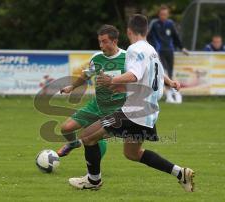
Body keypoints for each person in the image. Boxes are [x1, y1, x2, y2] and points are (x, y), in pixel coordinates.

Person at [68, 14, 195, 192]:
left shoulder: (135, 49)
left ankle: (93, 181)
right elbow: (151, 74)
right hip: (148, 112)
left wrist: (113, 81)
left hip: (133, 112)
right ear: (147, 30)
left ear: (129, 31)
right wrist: (171, 82)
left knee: (87, 136)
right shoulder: (151, 49)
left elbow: (134, 75)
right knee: (132, 153)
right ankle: (180, 173)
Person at [57, 24, 127, 158]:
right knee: (65, 129)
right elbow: (86, 75)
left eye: (104, 41)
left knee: (92, 141)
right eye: (99, 41)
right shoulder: (97, 58)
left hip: (116, 110)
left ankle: (93, 174)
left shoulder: (128, 58)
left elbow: (137, 78)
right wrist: (72, 87)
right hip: (96, 105)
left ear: (114, 41)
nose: (101, 45)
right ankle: (73, 144)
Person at [148, 4, 188, 104]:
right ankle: (169, 95)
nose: (163, 16)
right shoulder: (154, 23)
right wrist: (150, 48)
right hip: (159, 51)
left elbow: (176, 37)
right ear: (159, 14)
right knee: (163, 72)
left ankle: (176, 94)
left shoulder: (170, 24)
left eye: (165, 14)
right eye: (162, 14)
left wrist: (182, 48)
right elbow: (148, 36)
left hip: (169, 51)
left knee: (169, 72)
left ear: (168, 14)